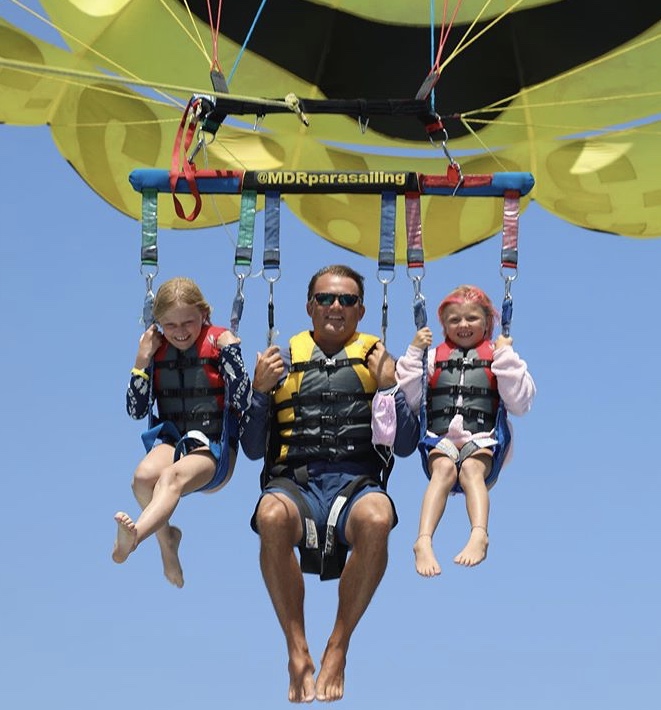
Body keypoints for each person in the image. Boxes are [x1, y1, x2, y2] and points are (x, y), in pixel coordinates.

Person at [240, 264, 419, 703]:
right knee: (269, 516)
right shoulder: (278, 363)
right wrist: (260, 393)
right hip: (295, 485)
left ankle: (338, 646)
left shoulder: (381, 361)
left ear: (360, 311)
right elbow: (248, 447)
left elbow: (409, 444)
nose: (335, 307)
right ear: (309, 307)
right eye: (325, 299)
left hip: (355, 485)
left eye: (346, 300)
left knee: (379, 518)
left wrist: (390, 388)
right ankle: (297, 649)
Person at [112, 277, 251, 587]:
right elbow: (136, 410)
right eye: (169, 324)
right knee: (143, 478)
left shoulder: (219, 342)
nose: (180, 331)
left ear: (204, 313)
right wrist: (141, 359)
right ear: (158, 323)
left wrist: (231, 354)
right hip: (173, 439)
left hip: (212, 449)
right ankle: (167, 541)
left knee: (170, 479)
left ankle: (135, 538)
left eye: (188, 321)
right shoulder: (156, 350)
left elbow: (242, 400)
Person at [396, 284, 535, 577]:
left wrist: (507, 357)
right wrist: (414, 351)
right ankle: (423, 540)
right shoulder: (432, 358)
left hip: (483, 438)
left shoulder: (498, 356)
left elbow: (520, 403)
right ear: (443, 324)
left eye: (471, 318)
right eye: (454, 319)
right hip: (439, 438)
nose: (463, 325)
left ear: (487, 322)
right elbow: (409, 397)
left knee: (471, 469)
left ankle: (479, 534)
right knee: (443, 470)